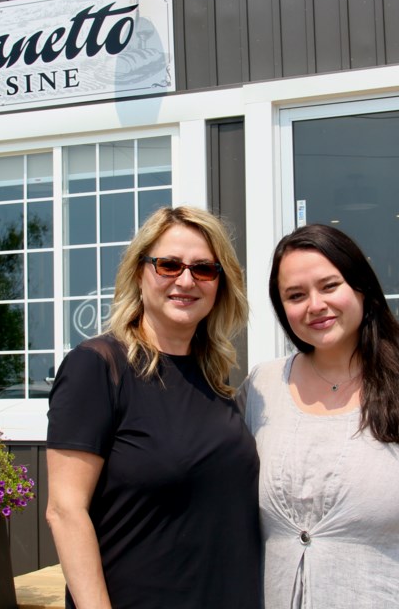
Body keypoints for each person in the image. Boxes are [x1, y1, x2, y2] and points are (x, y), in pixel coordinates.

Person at [239, 224, 399, 609]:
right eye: (295, 295)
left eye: (330, 286)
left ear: (361, 288)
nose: (315, 305)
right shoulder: (262, 388)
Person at [46, 206, 260, 609]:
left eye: (203, 269)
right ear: (139, 272)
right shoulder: (98, 366)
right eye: (168, 265)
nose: (185, 280)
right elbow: (65, 510)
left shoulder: (214, 377)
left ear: (220, 283)